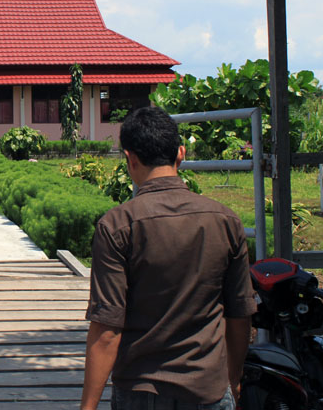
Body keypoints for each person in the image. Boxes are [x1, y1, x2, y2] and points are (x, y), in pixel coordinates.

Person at [80, 106, 256, 410]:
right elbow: (239, 315)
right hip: (208, 389)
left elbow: (107, 330)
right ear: (181, 153)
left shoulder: (117, 225)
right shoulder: (225, 220)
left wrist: (88, 406)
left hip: (141, 390)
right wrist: (234, 378)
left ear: (129, 159)